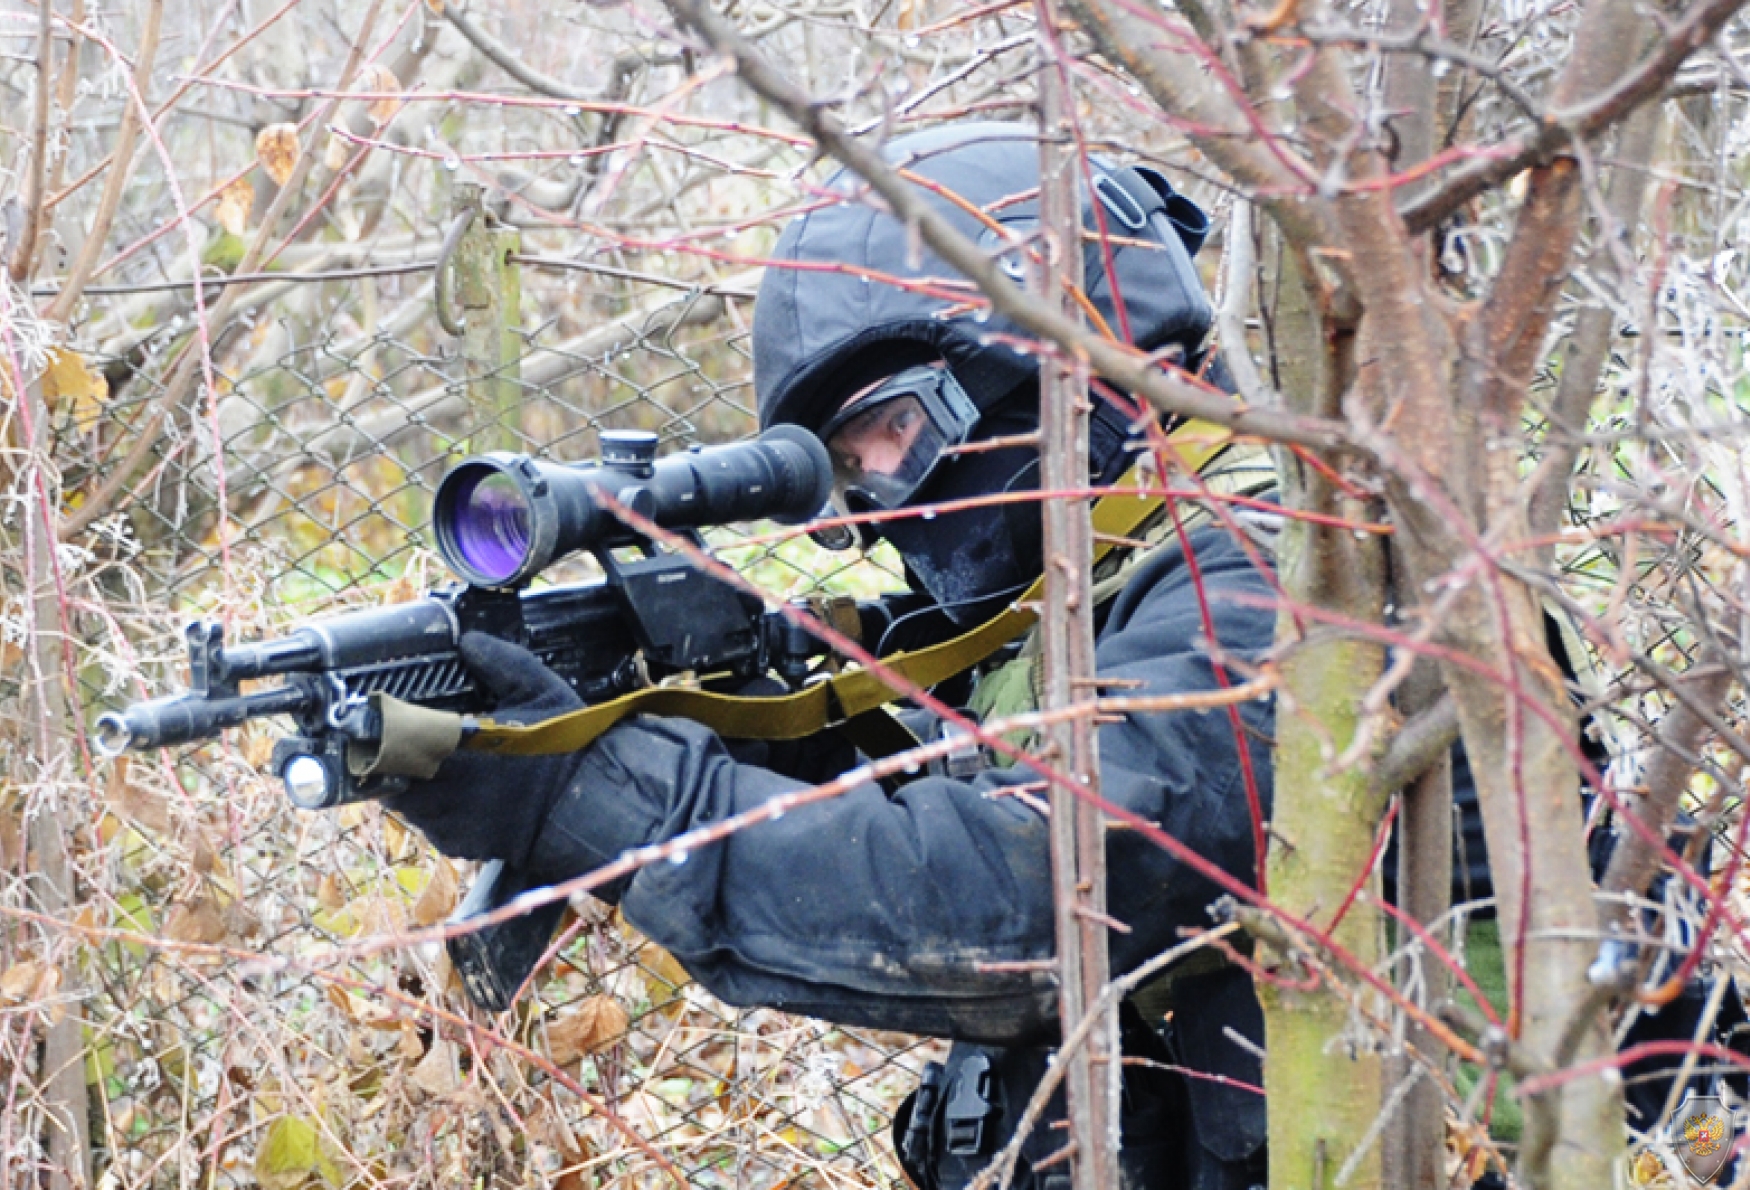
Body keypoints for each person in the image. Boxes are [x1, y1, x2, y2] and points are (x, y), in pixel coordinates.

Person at [387, 122, 1276, 1190]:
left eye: (891, 434)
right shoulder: (1080, 595)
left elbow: (1049, 892)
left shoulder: (1278, 573)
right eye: (848, 475)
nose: (879, 513)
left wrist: (596, 802)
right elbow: (949, 795)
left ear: (1065, 345)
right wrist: (760, 742)